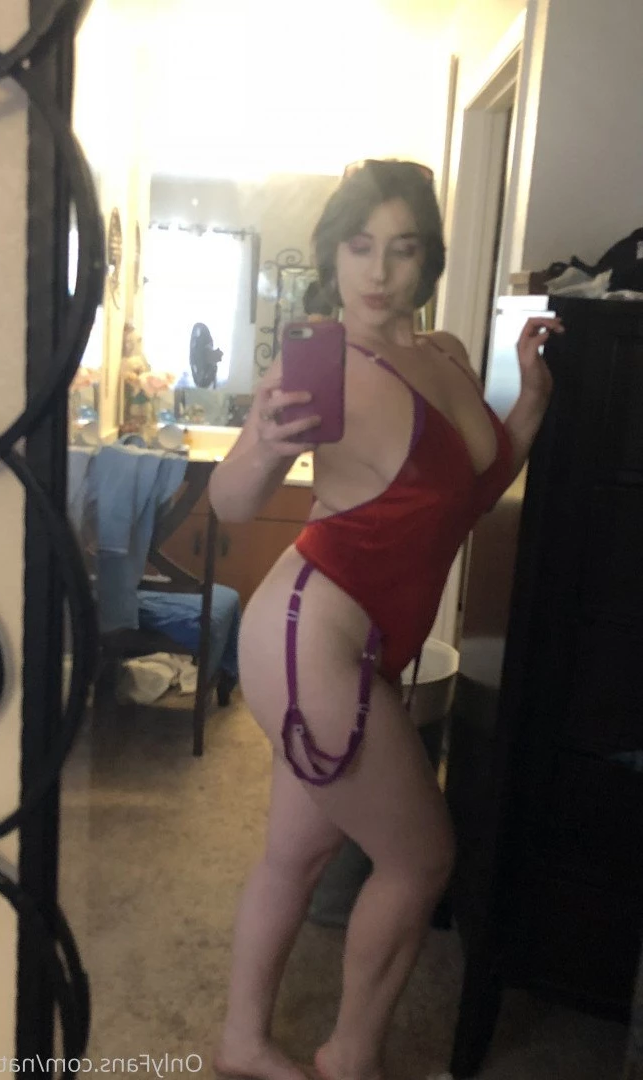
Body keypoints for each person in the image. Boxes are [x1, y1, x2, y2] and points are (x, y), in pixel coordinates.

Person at [209, 158, 564, 1080]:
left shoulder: (444, 356)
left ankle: (243, 1041)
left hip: (362, 644)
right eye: (360, 246)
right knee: (421, 859)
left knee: (297, 853)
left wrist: (529, 399)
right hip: (308, 632)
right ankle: (351, 1057)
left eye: (402, 250)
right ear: (333, 254)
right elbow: (231, 502)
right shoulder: (321, 363)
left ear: (427, 260)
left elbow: (473, 491)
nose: (377, 271)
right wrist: (267, 448)